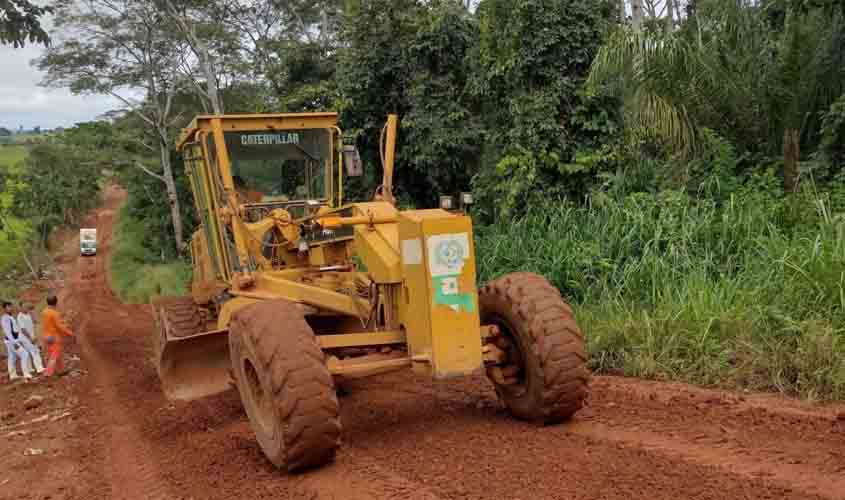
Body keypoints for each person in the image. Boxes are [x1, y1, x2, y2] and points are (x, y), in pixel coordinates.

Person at [41, 295, 74, 377]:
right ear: (56, 303)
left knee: (56, 354)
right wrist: (70, 333)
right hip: (54, 337)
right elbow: (60, 326)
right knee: (54, 355)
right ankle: (48, 373)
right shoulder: (54, 313)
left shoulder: (44, 312)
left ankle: (61, 371)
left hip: (46, 336)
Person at [2, 301, 32, 381]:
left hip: (12, 340)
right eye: (9, 307)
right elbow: (7, 332)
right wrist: (14, 342)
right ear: (5, 308)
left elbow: (15, 330)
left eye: (11, 306)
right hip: (11, 341)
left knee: (12, 357)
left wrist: (19, 340)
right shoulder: (5, 318)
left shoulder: (10, 316)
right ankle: (26, 374)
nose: (11, 308)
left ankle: (13, 375)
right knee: (25, 354)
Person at [17, 302, 45, 375]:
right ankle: (39, 368)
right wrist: (30, 338)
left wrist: (33, 313)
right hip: (25, 337)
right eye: (24, 307)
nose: (26, 308)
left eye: (26, 306)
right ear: (20, 308)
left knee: (29, 353)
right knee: (35, 351)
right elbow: (23, 329)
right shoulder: (20, 316)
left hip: (30, 336)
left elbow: (36, 321)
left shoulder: (28, 314)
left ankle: (30, 369)